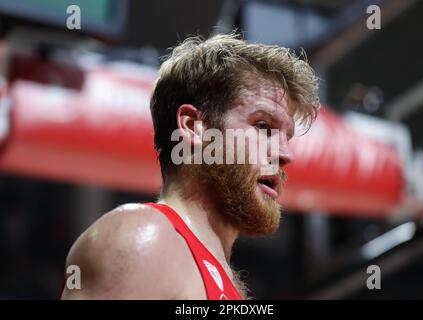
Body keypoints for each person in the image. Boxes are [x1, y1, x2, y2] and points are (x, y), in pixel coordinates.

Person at [61, 33, 319, 300]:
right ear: (194, 126)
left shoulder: (213, 274)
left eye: (286, 137)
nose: (285, 154)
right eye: (263, 126)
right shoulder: (144, 238)